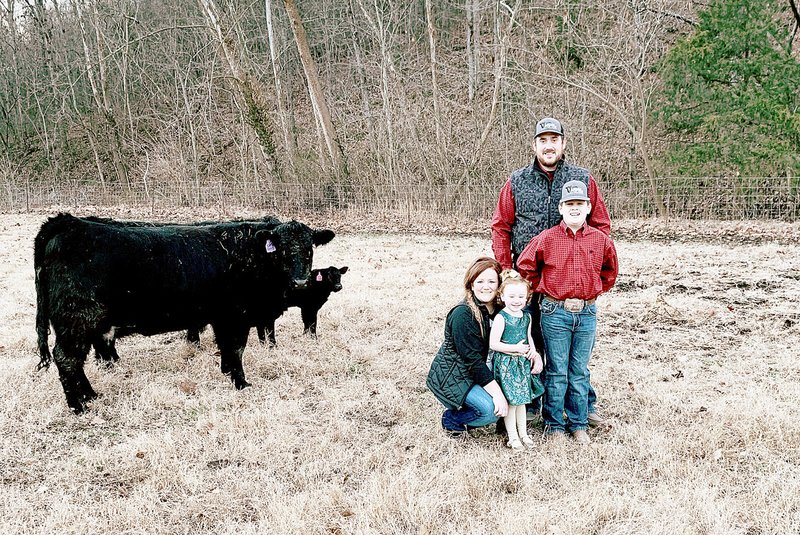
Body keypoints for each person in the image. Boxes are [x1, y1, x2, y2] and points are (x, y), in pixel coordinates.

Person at [491, 116, 612, 426]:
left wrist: (590, 267)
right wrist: (507, 268)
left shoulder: (582, 179)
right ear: (535, 145)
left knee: (570, 350)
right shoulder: (516, 181)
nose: (549, 145)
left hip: (567, 277)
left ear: (563, 143)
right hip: (528, 278)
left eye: (554, 140)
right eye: (542, 140)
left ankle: (584, 406)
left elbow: (601, 226)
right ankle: (529, 403)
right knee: (529, 339)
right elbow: (502, 227)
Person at [516, 180, 618, 444]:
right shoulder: (547, 238)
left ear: (588, 207)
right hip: (555, 311)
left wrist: (593, 292)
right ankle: (554, 425)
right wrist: (543, 287)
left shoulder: (600, 240)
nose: (575, 209)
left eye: (580, 204)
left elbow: (610, 272)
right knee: (557, 370)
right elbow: (525, 265)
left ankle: (578, 422)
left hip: (585, 312)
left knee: (579, 370)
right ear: (561, 207)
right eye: (569, 204)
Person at [426, 257, 509, 437]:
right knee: (489, 410)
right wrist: (498, 395)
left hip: (482, 371)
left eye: (491, 281)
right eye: (480, 281)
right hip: (455, 375)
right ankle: (453, 419)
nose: (486, 286)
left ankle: (505, 425)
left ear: (499, 285)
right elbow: (472, 361)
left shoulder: (501, 310)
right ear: (471, 284)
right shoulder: (463, 314)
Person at [488, 270, 544, 450]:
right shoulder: (501, 317)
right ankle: (512, 437)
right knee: (512, 402)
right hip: (506, 364)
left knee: (522, 401)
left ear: (527, 298)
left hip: (522, 363)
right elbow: (494, 344)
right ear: (502, 296)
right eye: (511, 296)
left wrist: (533, 354)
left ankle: (524, 434)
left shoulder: (526, 316)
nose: (516, 300)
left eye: (521, 296)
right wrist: (515, 349)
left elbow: (529, 338)